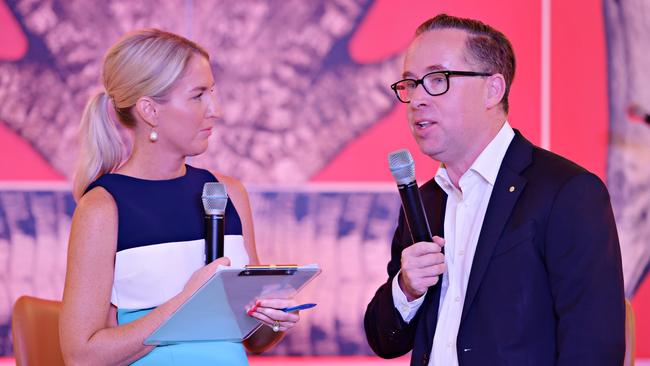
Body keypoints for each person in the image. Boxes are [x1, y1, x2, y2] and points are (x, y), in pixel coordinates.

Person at [364, 14, 625, 366]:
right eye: (410, 83)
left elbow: (594, 348)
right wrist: (406, 288)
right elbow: (384, 341)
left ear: (493, 89)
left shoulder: (567, 193)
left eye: (437, 79)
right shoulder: (423, 202)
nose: (417, 100)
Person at [59, 29, 300, 365]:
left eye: (212, 92)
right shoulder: (102, 208)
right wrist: (186, 303)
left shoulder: (229, 192)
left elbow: (254, 341)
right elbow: (81, 355)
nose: (215, 109)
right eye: (198, 95)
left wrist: (274, 319)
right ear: (149, 111)